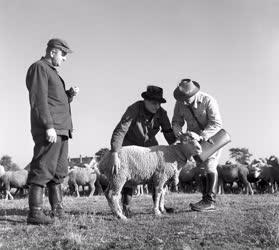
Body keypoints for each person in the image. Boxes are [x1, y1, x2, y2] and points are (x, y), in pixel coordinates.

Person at [26, 38, 79, 225]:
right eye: (63, 54)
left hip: (62, 129)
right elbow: (39, 100)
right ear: (53, 51)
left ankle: (57, 211)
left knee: (58, 172)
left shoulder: (52, 72)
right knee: (43, 168)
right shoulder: (39, 68)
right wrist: (48, 126)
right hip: (51, 129)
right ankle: (35, 213)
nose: (65, 58)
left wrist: (69, 95)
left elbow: (55, 101)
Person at [110, 85, 176, 217]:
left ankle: (158, 206)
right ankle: (126, 206)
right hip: (130, 143)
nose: (157, 106)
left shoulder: (162, 113)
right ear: (145, 100)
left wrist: (176, 149)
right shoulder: (133, 109)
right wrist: (114, 153)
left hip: (149, 145)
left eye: (159, 103)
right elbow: (120, 130)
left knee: (159, 171)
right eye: (153, 102)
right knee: (128, 173)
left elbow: (168, 132)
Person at [172, 79, 222, 212]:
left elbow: (216, 124)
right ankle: (205, 200)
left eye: (187, 98)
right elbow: (176, 121)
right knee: (200, 169)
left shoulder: (208, 100)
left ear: (195, 93)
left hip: (212, 139)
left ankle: (210, 201)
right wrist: (177, 129)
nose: (184, 101)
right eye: (182, 98)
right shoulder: (180, 103)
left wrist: (201, 136)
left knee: (210, 166)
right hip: (194, 143)